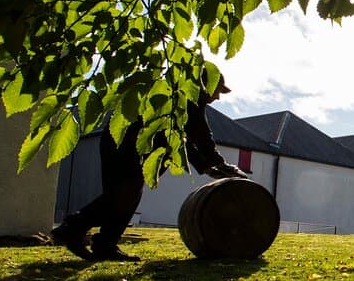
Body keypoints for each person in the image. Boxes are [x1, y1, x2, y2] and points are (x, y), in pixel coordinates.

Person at [50, 73, 247, 261]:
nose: (218, 97)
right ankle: (72, 229)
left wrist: (207, 166)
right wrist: (218, 163)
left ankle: (104, 245)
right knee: (123, 194)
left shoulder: (178, 97)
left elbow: (180, 139)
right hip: (130, 143)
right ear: (206, 84)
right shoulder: (189, 95)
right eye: (217, 90)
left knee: (124, 194)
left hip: (117, 140)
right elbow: (200, 134)